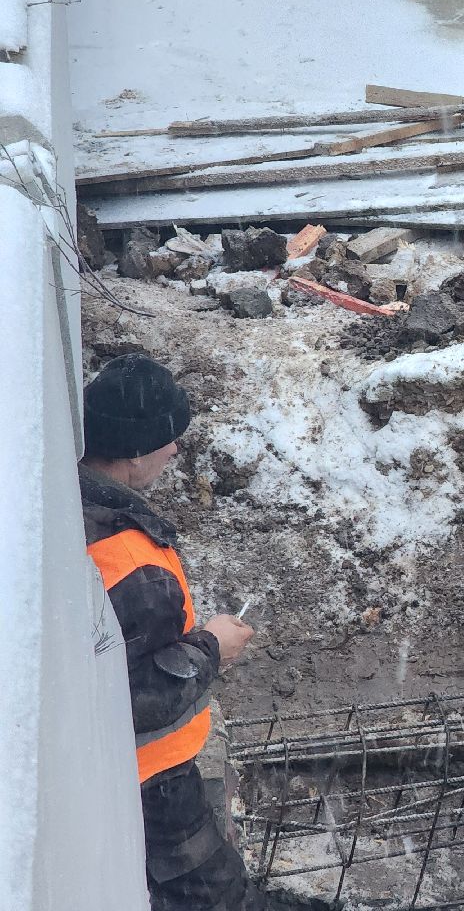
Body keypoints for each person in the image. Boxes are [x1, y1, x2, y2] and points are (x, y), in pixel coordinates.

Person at [79, 353, 258, 911]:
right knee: (213, 896)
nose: (176, 450)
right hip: (150, 780)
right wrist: (212, 647)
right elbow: (140, 696)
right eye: (168, 439)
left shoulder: (70, 503)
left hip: (107, 772)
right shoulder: (129, 561)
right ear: (133, 453)